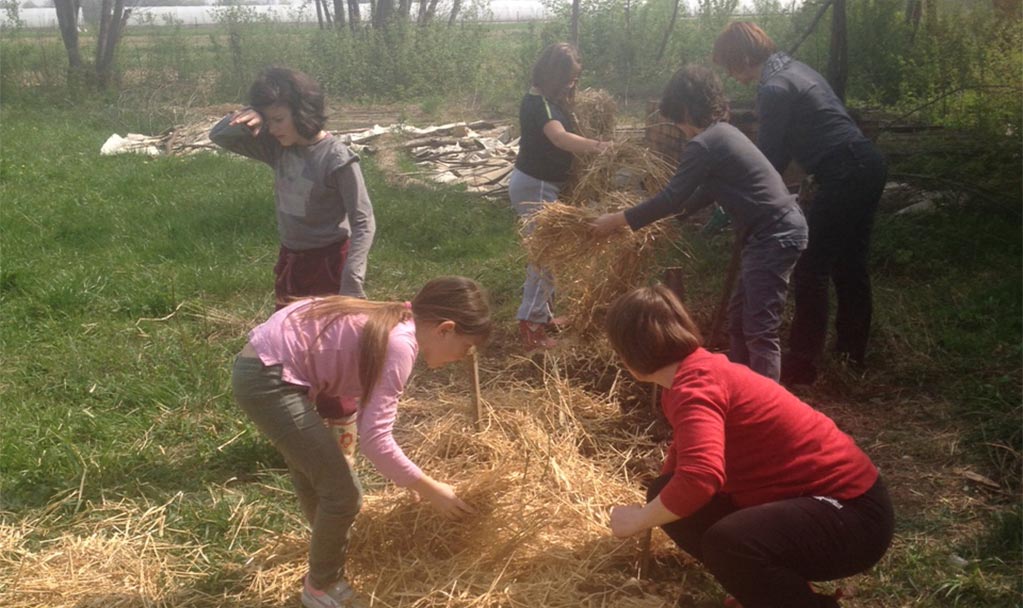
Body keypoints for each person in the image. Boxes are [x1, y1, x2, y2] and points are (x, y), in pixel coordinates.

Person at [604, 285, 894, 608]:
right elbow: (684, 457)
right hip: (820, 504)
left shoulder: (694, 387)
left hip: (855, 515)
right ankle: (766, 589)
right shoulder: (687, 378)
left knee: (728, 544)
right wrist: (656, 505)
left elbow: (701, 477)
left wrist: (640, 519)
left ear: (630, 352)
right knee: (668, 493)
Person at [231, 276, 491, 608]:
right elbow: (376, 440)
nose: (462, 357)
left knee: (317, 475)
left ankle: (328, 546)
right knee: (344, 493)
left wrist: (404, 475)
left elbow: (358, 404)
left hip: (267, 368)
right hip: (268, 379)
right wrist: (429, 488)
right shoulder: (401, 343)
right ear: (445, 329)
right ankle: (321, 585)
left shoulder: (397, 319)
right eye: (466, 348)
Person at [592, 65, 806, 381]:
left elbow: (671, 197)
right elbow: (704, 192)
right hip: (768, 231)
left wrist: (618, 220)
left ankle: (766, 408)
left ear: (688, 110)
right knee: (738, 318)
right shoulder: (724, 134)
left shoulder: (705, 143)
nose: (679, 128)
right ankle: (738, 388)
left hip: (774, 233)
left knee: (760, 329)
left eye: (678, 119)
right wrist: (674, 220)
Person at [713, 22, 888, 385]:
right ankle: (850, 354)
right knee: (849, 262)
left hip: (844, 171)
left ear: (744, 58)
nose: (732, 75)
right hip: (866, 164)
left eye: (730, 66)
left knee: (812, 266)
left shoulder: (774, 89)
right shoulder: (797, 70)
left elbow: (769, 160)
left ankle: (803, 363)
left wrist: (740, 199)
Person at [210, 67, 375, 308]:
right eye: (267, 121)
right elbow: (219, 135)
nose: (273, 129)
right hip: (291, 261)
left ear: (302, 113)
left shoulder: (337, 159)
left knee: (326, 337)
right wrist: (250, 114)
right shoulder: (277, 149)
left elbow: (363, 221)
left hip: (329, 264)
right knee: (288, 335)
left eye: (278, 120)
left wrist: (351, 279)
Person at [511, 42, 609, 350]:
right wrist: (597, 146)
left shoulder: (544, 100)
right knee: (544, 257)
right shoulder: (539, 105)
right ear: (555, 75)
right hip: (536, 186)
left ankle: (544, 313)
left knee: (550, 254)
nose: (573, 84)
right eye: (569, 78)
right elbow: (559, 138)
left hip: (541, 184)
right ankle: (531, 324)